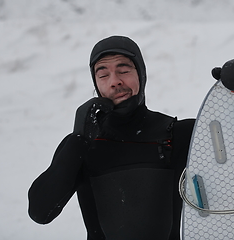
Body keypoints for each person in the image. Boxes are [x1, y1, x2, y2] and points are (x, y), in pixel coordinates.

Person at [28, 35, 195, 240]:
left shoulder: (179, 134)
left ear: (141, 75)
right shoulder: (83, 147)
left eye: (123, 71)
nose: (115, 81)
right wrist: (78, 140)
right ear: (96, 84)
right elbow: (40, 211)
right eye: (103, 75)